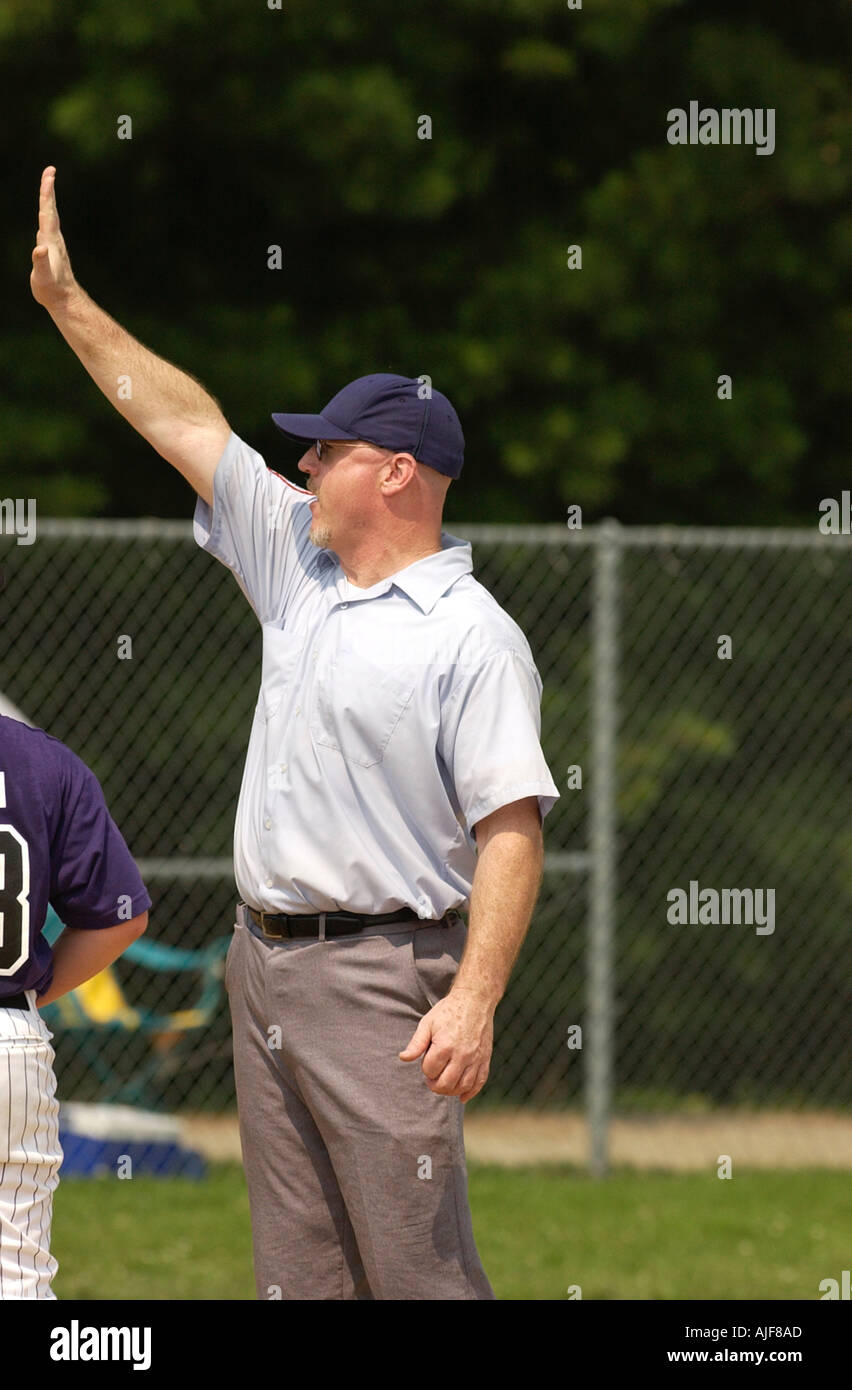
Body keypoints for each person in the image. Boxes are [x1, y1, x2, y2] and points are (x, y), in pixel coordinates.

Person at [31, 164, 560, 1300]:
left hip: (385, 981)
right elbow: (182, 420)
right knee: (300, 1279)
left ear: (398, 472)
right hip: (261, 963)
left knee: (416, 1273)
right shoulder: (300, 568)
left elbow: (512, 829)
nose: (305, 464)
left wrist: (474, 998)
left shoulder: (472, 635)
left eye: (327, 449)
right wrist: (68, 304)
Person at [0, 713, 150, 1298]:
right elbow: (121, 916)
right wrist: (32, 994)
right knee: (17, 1276)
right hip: (9, 1037)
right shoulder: (41, 760)